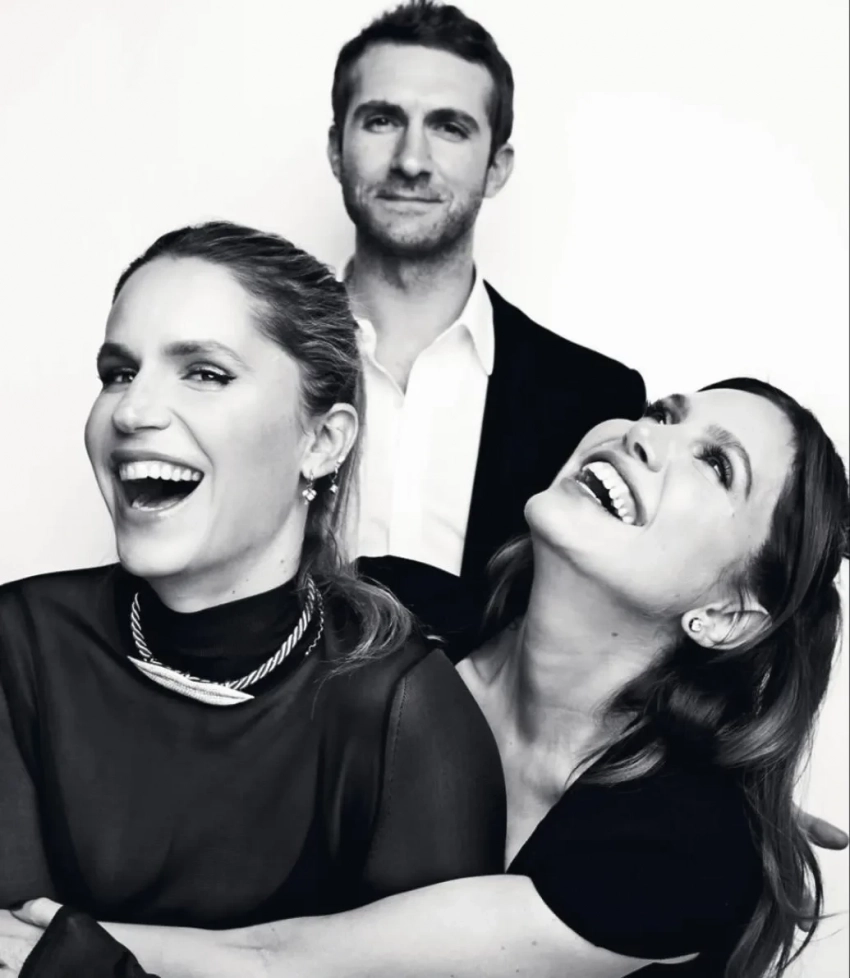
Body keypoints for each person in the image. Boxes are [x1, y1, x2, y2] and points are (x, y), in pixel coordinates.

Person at [8, 378, 847, 978]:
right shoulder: (390, 612)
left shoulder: (686, 844)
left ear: (727, 616)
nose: (644, 434)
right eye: (664, 413)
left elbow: (283, 960)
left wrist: (46, 944)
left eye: (715, 464)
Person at [0, 221, 505, 974]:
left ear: (322, 442)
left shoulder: (402, 712)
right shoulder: (19, 643)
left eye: (204, 372)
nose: (132, 411)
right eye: (119, 371)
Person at [329, 0, 647, 647]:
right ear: (337, 148)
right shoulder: (252, 361)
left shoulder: (597, 401)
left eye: (449, 127)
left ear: (497, 167)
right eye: (383, 120)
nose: (411, 160)